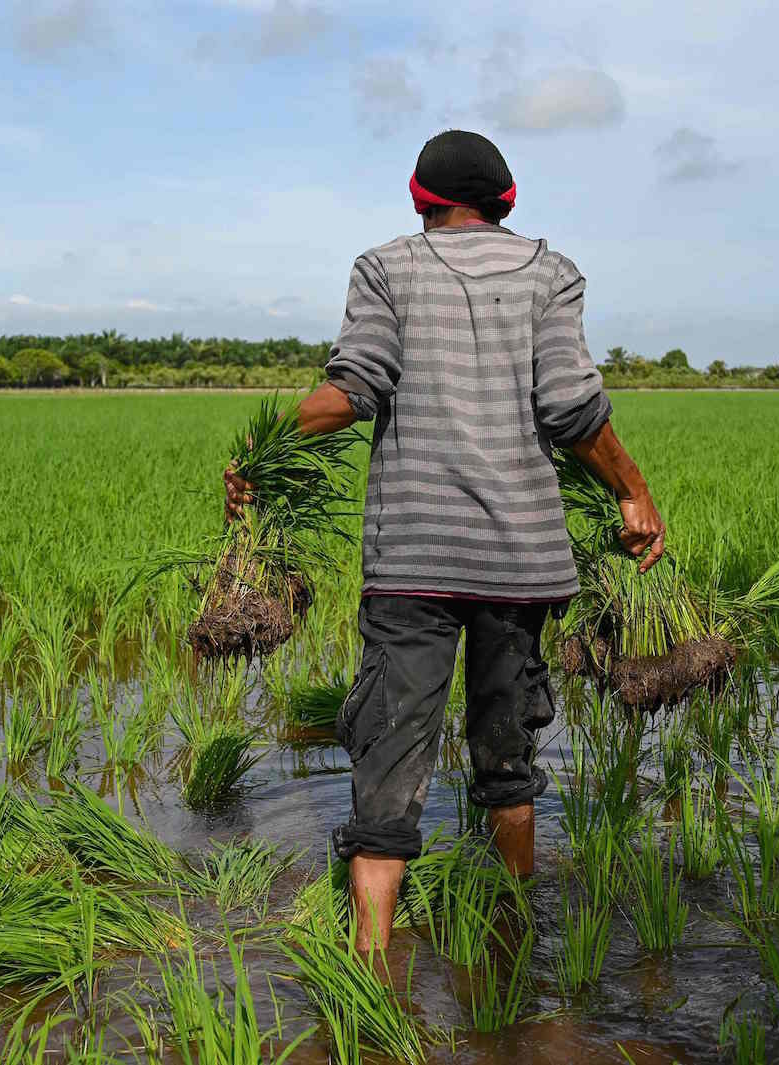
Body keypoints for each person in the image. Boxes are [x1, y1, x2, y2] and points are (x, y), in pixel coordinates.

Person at [224, 129, 664, 950]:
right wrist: (633, 491)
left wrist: (259, 451)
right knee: (508, 759)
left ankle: (368, 969)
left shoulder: (387, 267)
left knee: (387, 765)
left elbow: (351, 390)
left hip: (412, 563)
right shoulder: (550, 272)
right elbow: (572, 407)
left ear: (420, 201)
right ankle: (511, 944)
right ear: (508, 200)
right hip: (520, 563)